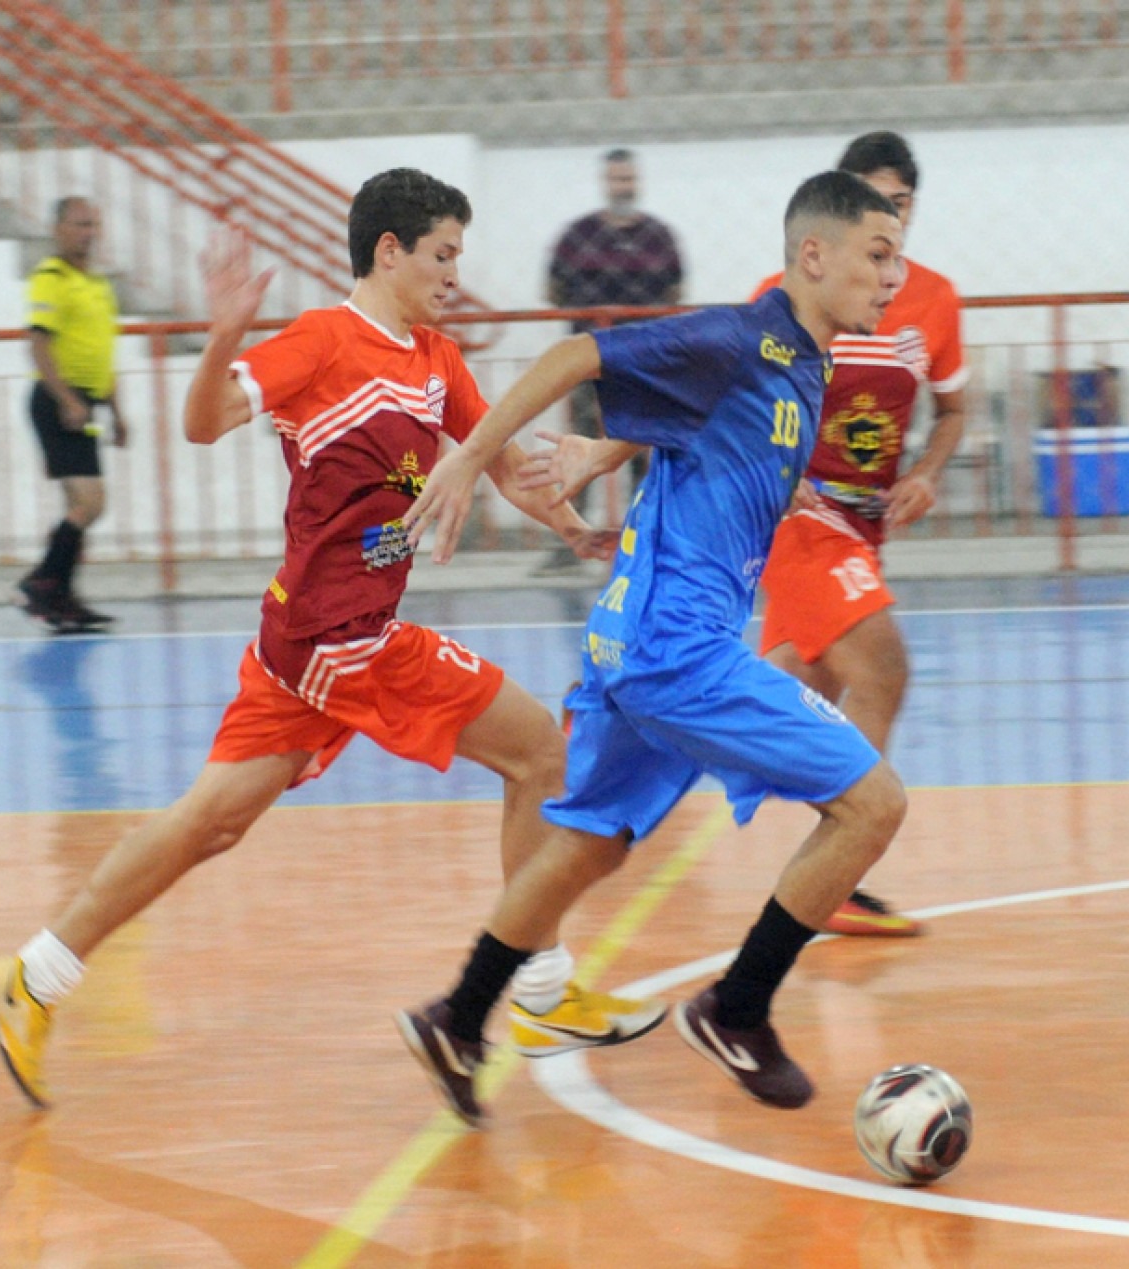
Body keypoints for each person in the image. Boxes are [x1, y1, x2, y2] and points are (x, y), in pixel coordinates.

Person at [0, 169, 664, 1110]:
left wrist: (573, 524)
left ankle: (32, 976)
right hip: (342, 635)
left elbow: (500, 464)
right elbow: (204, 421)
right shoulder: (320, 343)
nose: (454, 274)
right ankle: (539, 992)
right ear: (389, 250)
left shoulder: (436, 358)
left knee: (207, 822)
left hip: (299, 639)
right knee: (542, 750)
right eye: (442, 255)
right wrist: (222, 333)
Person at [396, 171, 910, 1125]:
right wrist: (469, 457)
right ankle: (736, 1008)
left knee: (589, 844)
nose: (894, 275)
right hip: (677, 649)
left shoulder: (800, 359)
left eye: (899, 256)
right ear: (814, 254)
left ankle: (457, 1017)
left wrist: (607, 452)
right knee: (871, 804)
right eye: (878, 254)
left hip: (633, 644)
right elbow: (572, 356)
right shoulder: (742, 337)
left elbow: (690, 421)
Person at [750, 132, 968, 939]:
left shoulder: (933, 299)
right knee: (881, 668)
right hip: (805, 522)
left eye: (902, 205)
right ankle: (841, 858)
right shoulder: (787, 295)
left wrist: (927, 473)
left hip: (865, 527)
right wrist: (779, 465)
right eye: (876, 205)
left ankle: (627, 724)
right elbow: (742, 392)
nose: (892, 221)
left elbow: (951, 409)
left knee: (789, 685)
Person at [534, 148, 685, 576]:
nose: (623, 186)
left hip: (642, 361)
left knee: (642, 449)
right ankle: (570, 541)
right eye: (617, 179)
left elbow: (673, 292)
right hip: (588, 357)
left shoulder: (659, 237)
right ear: (606, 181)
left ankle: (644, 539)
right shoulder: (579, 235)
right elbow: (553, 288)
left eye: (628, 178)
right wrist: (596, 321)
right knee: (575, 446)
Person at [17, 196, 128, 634]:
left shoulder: (98, 284)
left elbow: (104, 354)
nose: (89, 232)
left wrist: (117, 411)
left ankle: (60, 593)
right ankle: (43, 583)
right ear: (58, 228)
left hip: (88, 401)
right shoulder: (51, 278)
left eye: (93, 224)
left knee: (79, 505)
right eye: (80, 224)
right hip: (59, 402)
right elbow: (38, 343)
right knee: (90, 502)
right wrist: (65, 398)